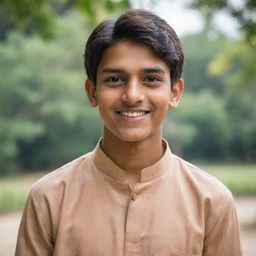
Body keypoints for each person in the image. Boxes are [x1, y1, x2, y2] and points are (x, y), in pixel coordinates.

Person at [15, 9, 241, 256]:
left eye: (151, 79)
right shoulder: (49, 198)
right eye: (115, 79)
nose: (132, 95)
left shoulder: (211, 201)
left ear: (175, 92)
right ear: (92, 92)